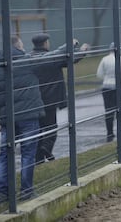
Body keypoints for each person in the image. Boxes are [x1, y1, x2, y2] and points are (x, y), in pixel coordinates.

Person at [0, 35, 70, 202]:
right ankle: (26, 190)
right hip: (29, 116)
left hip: (7, 118)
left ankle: (2, 193)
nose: (24, 48)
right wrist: (70, 45)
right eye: (22, 46)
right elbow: (51, 57)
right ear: (17, 47)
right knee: (28, 153)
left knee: (5, 154)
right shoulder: (27, 62)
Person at [29, 33, 89, 164]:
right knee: (51, 127)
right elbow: (70, 59)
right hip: (51, 99)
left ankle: (39, 159)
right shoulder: (51, 59)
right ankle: (46, 147)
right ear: (45, 43)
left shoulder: (30, 58)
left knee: (38, 129)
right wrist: (83, 51)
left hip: (35, 100)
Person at [96, 42, 121, 142]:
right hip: (120, 86)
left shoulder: (104, 59)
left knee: (108, 111)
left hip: (107, 87)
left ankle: (110, 133)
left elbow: (99, 74)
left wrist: (107, 78)